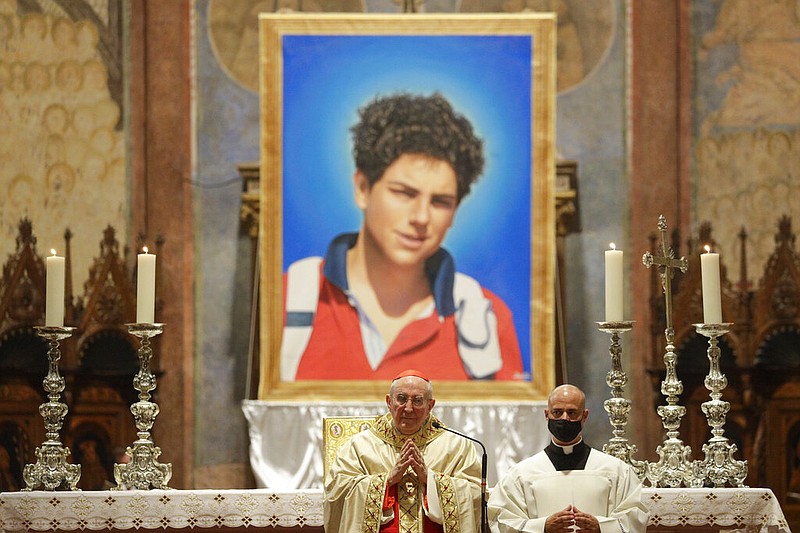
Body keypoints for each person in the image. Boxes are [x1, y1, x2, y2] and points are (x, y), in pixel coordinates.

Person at [281, 92, 524, 381]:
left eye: (440, 202)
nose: (421, 217)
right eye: (404, 193)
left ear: (455, 211)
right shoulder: (286, 300)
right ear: (362, 188)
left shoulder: (488, 319)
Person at [324, 369, 482, 532]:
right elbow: (336, 493)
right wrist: (386, 481)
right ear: (389, 402)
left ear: (430, 406)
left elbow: (477, 494)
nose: (408, 408)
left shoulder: (457, 446)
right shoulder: (359, 446)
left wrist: (432, 480)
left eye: (418, 401)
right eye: (401, 399)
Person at [488, 384, 649, 533]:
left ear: (584, 416)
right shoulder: (521, 474)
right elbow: (502, 520)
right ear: (547, 414)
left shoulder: (616, 470)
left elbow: (636, 517)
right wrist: (542, 527)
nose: (564, 419)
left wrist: (601, 527)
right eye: (557, 412)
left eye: (571, 413)